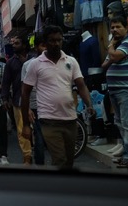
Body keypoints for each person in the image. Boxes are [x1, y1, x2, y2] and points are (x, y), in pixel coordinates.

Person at [21, 25, 95, 169]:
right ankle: (60, 189)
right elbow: (25, 93)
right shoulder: (35, 65)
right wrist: (25, 124)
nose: (56, 43)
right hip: (48, 120)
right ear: (45, 42)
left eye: (59, 40)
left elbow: (81, 85)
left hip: (70, 119)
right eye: (52, 40)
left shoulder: (71, 61)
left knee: (69, 160)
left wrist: (89, 104)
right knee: (59, 160)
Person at [100, 16, 128, 168]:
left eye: (118, 27)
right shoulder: (116, 46)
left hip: (126, 89)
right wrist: (113, 54)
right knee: (120, 122)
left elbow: (115, 56)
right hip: (114, 89)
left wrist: (111, 48)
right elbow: (104, 64)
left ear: (126, 28)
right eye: (112, 27)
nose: (115, 30)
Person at [1, 34, 32, 164]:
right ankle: (27, 156)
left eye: (17, 43)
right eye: (13, 43)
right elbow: (6, 82)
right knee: (21, 130)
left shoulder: (34, 59)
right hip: (18, 101)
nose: (13, 45)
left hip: (37, 100)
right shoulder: (10, 63)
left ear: (24, 45)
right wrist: (5, 98)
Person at [21, 35, 47, 165]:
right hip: (36, 106)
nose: (46, 49)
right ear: (36, 47)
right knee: (40, 138)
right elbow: (24, 90)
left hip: (52, 107)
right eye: (43, 46)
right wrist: (28, 109)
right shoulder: (28, 65)